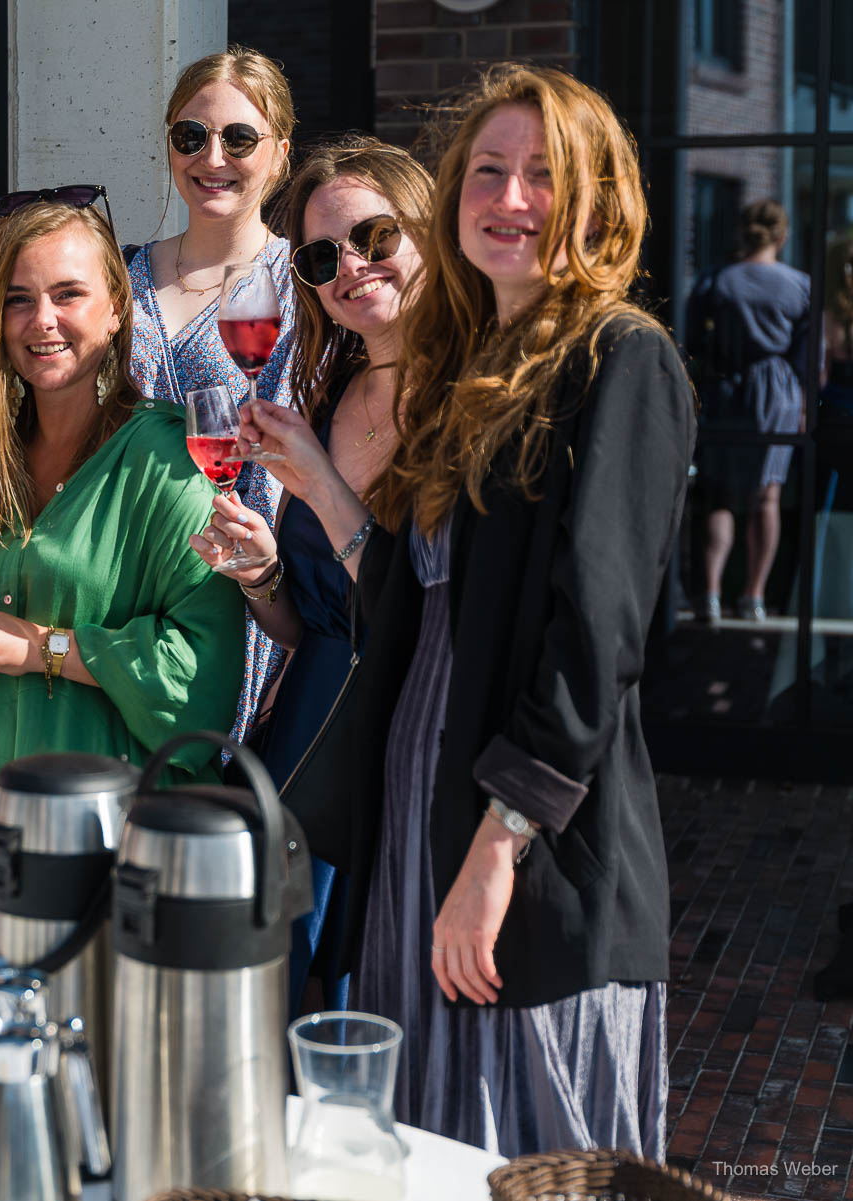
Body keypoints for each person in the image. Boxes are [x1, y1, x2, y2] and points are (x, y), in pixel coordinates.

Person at [286, 63, 692, 1157]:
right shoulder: (487, 371)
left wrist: (497, 847)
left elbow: (596, 637)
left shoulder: (622, 356)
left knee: (528, 1150)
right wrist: (321, 501)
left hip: (527, 833)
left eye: (544, 178)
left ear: (601, 202)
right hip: (417, 795)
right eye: (489, 171)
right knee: (424, 1138)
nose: (510, 198)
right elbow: (421, 599)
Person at [0, 198, 246, 1044]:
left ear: (118, 307)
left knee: (81, 1092)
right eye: (18, 298)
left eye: (67, 294)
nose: (41, 320)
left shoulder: (168, 461)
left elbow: (203, 680)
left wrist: (45, 648)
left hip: (94, 831)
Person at [190, 135, 432, 1018]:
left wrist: (324, 489)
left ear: (431, 233)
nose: (351, 267)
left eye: (376, 236)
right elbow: (311, 628)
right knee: (277, 984)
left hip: (407, 728)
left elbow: (418, 612)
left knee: (374, 985)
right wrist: (260, 575)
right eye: (323, 255)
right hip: (309, 731)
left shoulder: (470, 399)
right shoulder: (331, 394)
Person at [126, 45, 299, 743]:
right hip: (128, 592)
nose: (213, 158)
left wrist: (291, 629)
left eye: (240, 138)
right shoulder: (123, 275)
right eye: (191, 136)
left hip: (241, 594)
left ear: (280, 152)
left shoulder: (300, 287)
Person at [686, 200, 811, 624]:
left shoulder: (717, 281)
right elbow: (809, 357)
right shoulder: (799, 285)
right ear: (782, 235)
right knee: (767, 495)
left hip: (727, 388)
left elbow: (691, 343)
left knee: (719, 494)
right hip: (778, 394)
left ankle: (711, 594)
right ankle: (754, 596)